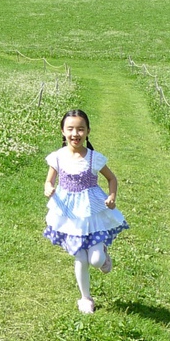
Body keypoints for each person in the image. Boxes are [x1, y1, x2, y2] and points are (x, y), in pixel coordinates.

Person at [43, 109, 129, 314]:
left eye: (80, 129)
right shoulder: (57, 157)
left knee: (96, 260)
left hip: (93, 213)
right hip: (70, 215)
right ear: (63, 132)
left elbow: (112, 178)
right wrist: (48, 187)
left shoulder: (93, 158)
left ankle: (103, 257)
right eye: (70, 129)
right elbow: (49, 180)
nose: (75, 134)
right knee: (81, 259)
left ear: (88, 131)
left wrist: (112, 197)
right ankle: (85, 298)